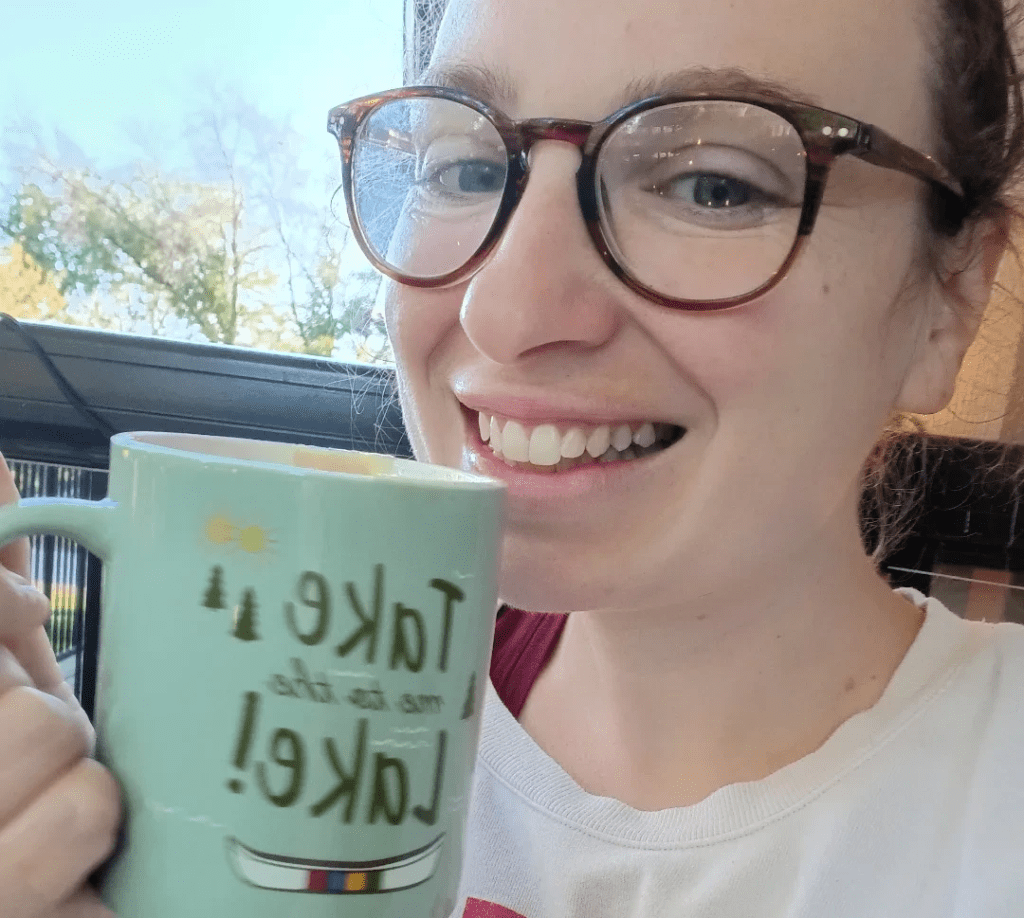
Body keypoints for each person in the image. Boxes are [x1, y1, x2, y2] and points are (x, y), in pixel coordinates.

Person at [1, 0, 1023, 913]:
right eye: (468, 168)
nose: (505, 310)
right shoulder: (204, 759)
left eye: (713, 184)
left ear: (951, 301)